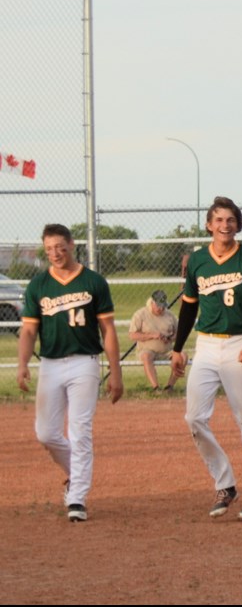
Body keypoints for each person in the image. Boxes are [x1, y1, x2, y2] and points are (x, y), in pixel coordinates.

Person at [171, 196, 242, 521]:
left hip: (240, 345)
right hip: (206, 345)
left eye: (230, 220)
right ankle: (226, 483)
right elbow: (189, 307)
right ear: (209, 224)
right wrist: (178, 348)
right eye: (218, 220)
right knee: (194, 418)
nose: (224, 225)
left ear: (237, 224)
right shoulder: (200, 261)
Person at [16, 223, 124, 522]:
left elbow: (108, 329)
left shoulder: (92, 281)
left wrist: (116, 372)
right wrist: (23, 364)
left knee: (80, 431)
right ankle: (75, 474)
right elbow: (28, 330)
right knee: (46, 433)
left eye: (60, 247)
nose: (55, 253)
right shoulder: (39, 285)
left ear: (72, 245)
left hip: (84, 362)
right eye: (49, 248)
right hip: (50, 364)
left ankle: (76, 498)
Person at [128, 289, 179, 392]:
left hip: (167, 350)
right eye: (158, 306)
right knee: (146, 356)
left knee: (183, 356)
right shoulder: (141, 314)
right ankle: (156, 388)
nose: (161, 309)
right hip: (147, 350)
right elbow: (132, 335)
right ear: (152, 303)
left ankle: (169, 387)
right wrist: (152, 335)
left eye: (163, 306)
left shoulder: (170, 315)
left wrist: (169, 338)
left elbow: (178, 335)